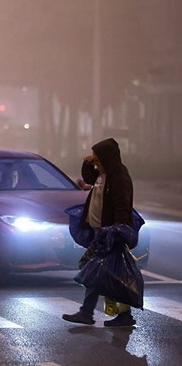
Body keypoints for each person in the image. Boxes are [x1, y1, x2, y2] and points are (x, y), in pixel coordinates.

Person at [62, 138, 138, 327]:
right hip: (101, 232)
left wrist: (118, 229)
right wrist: (87, 163)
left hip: (111, 234)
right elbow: (89, 178)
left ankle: (90, 313)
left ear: (107, 158)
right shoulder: (102, 175)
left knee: (102, 272)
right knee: (102, 272)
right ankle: (108, 314)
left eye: (97, 159)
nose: (95, 162)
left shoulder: (118, 176)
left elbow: (122, 204)